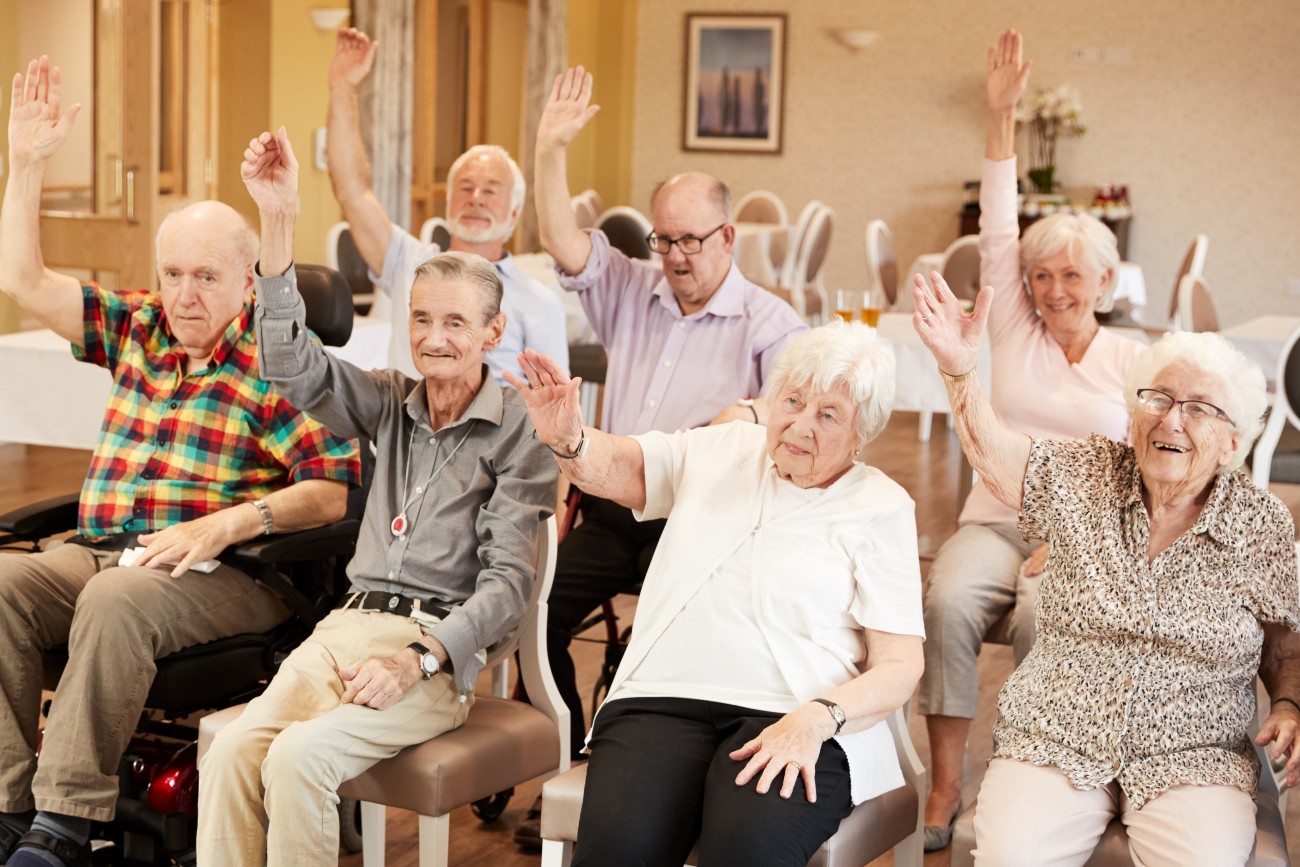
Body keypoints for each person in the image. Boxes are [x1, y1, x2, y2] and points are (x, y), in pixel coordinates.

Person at [0, 60, 360, 867]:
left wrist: (230, 522)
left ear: (246, 279)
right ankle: (7, 806)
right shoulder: (140, 329)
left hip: (224, 574)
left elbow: (334, 492)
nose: (186, 295)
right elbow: (20, 278)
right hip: (104, 554)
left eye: (206, 277)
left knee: (119, 597)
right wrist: (25, 162)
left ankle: (66, 826)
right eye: (173, 275)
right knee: (5, 585)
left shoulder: (279, 362)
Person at [195, 127, 557, 867]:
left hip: (429, 656)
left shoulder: (519, 433)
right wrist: (277, 219)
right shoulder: (392, 401)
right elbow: (291, 364)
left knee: (298, 758)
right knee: (232, 749)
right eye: (421, 319)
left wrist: (420, 658)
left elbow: (508, 586)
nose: (434, 338)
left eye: (456, 322)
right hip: (343, 632)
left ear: (493, 332)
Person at [913, 268, 1300, 866]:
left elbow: (1282, 642)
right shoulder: (1087, 473)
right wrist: (961, 371)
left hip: (1193, 750)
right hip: (1056, 731)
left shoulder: (1261, 523)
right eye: (1158, 400)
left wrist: (1288, 703)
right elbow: (997, 460)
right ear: (1132, 414)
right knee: (1010, 856)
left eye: (1199, 409)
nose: (1172, 420)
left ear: (1232, 442)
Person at [503, 320, 924, 867]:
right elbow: (622, 466)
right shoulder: (724, 446)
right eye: (791, 401)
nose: (799, 425)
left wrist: (819, 718)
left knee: (746, 852)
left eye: (828, 414)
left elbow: (899, 665)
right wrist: (569, 439)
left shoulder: (881, 506)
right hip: (661, 700)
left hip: (792, 716)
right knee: (617, 853)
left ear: (862, 431)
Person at [529, 65, 808, 795]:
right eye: (665, 240)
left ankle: (610, 772)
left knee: (651, 645)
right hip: (614, 503)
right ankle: (561, 765)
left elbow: (794, 424)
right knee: (537, 615)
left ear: (728, 235)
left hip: (699, 521)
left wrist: (744, 414)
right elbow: (560, 237)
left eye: (693, 240)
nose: (678, 256)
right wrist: (549, 149)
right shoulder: (631, 288)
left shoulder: (770, 325)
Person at [916, 29, 1148, 851]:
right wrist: (1000, 119)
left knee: (1045, 615)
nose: (1054, 288)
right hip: (993, 515)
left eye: (1072, 276)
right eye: (1043, 275)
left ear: (1106, 285)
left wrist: (1071, 534)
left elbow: (1146, 477)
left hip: (1081, 538)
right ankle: (945, 783)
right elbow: (1002, 224)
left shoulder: (1133, 362)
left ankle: (1026, 771)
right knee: (946, 602)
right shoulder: (1015, 326)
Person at [326, 27, 568, 382]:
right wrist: (343, 89)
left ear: (515, 211)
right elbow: (352, 191)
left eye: (491, 191)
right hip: (409, 433)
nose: (475, 199)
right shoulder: (410, 263)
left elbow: (554, 409)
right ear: (448, 200)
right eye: (466, 187)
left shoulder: (538, 303)